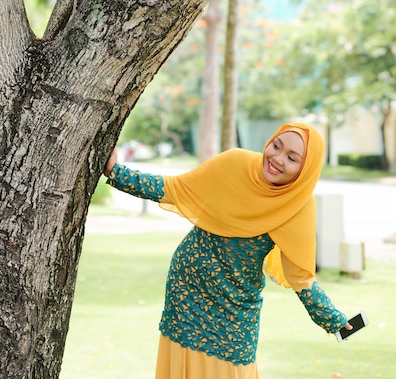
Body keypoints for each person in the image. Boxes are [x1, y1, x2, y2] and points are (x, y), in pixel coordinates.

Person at [103, 122, 352, 379]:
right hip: (187, 293)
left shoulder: (298, 206)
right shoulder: (235, 163)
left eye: (292, 158)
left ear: (306, 169)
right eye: (276, 145)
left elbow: (300, 276)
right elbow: (172, 188)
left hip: (236, 309)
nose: (277, 158)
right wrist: (115, 172)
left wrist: (331, 319)